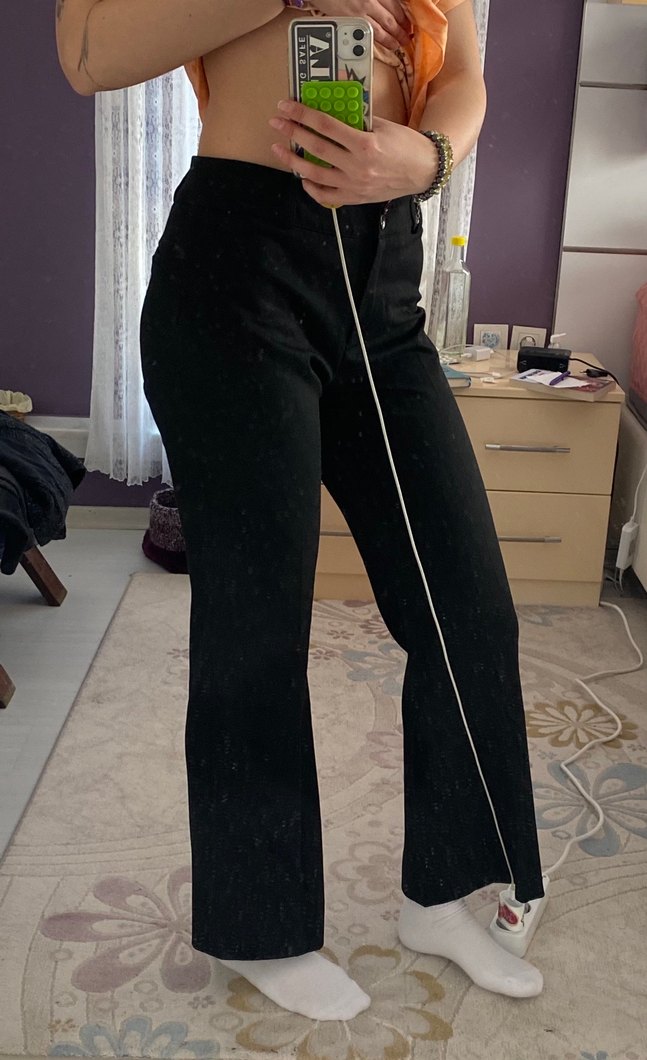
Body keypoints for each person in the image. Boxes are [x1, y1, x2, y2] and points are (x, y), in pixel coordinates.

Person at [57, 0, 546, 1023]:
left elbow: (463, 72)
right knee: (256, 624)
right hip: (236, 271)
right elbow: (87, 53)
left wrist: (425, 158)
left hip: (383, 276)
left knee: (465, 607)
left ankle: (442, 892)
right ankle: (263, 929)